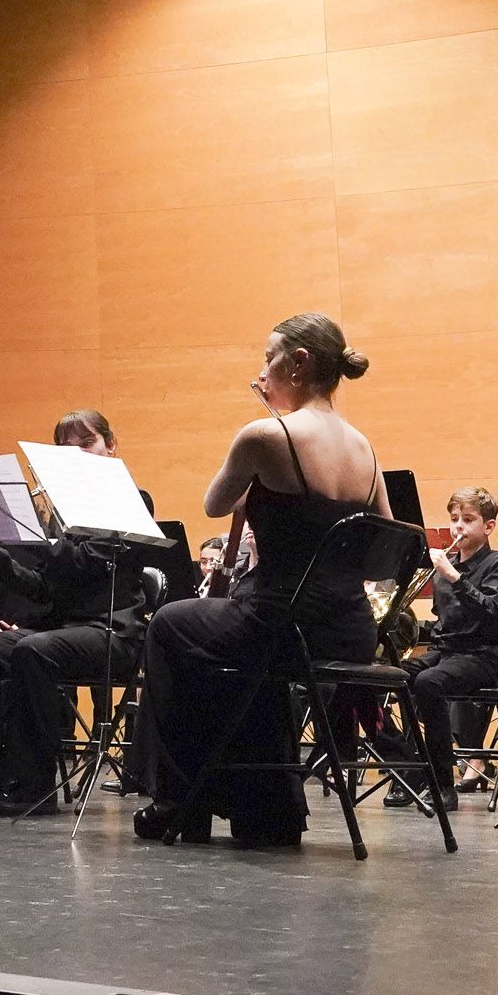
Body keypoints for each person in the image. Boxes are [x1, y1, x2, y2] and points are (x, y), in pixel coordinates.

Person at [134, 314, 386, 847]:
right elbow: (382, 558)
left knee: (170, 626)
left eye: (268, 357)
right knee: (240, 653)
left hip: (281, 622)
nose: (261, 369)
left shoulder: (265, 435)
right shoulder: (366, 448)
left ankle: (182, 800)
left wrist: (269, 428)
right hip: (349, 631)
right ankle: (267, 809)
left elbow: (214, 503)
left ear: (298, 363)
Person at [0, 410, 153, 818]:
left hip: (113, 631)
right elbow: (43, 589)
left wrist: (35, 534)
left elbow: (89, 561)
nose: (76, 454)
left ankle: (32, 789)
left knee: (34, 652)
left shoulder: (131, 500)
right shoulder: (57, 516)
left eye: (86, 443)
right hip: (65, 630)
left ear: (111, 446)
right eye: (65, 448)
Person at [379, 488, 498, 811]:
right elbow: (443, 624)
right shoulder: (447, 568)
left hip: (481, 656)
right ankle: (407, 768)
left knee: (429, 683)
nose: (458, 527)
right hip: (444, 652)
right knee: (385, 675)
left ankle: (444, 785)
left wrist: (455, 578)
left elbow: (493, 613)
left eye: (468, 520)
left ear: (489, 527)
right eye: (454, 519)